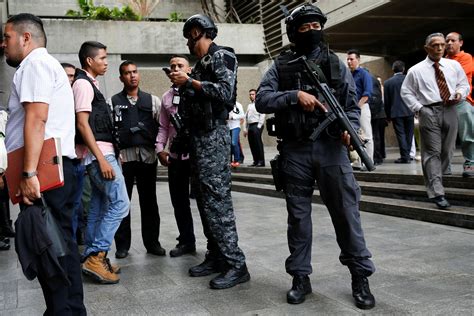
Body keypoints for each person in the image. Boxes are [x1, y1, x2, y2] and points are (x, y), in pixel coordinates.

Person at [255, 3, 375, 309]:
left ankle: (360, 277)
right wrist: (295, 96)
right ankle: (300, 277)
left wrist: (349, 129)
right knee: (298, 219)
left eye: (316, 26)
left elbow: (350, 104)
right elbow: (263, 99)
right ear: (294, 31)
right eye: (305, 27)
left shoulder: (334, 63)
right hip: (295, 150)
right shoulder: (282, 65)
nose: (312, 31)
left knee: (347, 214)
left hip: (332, 148)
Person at [2, 13, 86, 314]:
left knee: (51, 251)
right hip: (49, 171)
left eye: (7, 37)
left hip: (43, 175)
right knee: (57, 246)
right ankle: (67, 310)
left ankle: (65, 311)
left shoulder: (35, 64)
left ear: (25, 38)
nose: (3, 44)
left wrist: (28, 173)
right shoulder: (43, 65)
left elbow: (37, 119)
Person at [166, 14, 250, 290]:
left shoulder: (222, 56)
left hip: (214, 136)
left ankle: (236, 264)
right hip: (197, 139)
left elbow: (226, 93)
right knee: (203, 201)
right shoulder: (200, 66)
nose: (188, 42)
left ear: (198, 32)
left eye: (190, 35)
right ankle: (216, 256)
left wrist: (189, 82)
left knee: (217, 202)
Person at [73, 41, 129, 284]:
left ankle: (89, 256)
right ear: (89, 61)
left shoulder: (89, 84)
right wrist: (101, 159)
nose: (106, 62)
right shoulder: (83, 84)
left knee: (97, 209)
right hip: (99, 156)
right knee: (120, 204)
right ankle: (97, 256)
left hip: (102, 154)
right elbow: (82, 124)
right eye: (103, 58)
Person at [401, 33, 469, 209]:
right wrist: (420, 108)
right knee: (432, 153)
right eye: (435, 45)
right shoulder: (416, 70)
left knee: (447, 150)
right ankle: (437, 193)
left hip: (451, 108)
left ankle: (436, 178)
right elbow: (406, 92)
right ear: (427, 48)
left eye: (442, 44)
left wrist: (460, 94)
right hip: (429, 110)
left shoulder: (453, 66)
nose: (439, 48)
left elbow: (464, 84)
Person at [110, 60, 164, 259]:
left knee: (149, 202)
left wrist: (161, 150)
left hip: (147, 158)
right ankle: (122, 246)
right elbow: (109, 131)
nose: (132, 76)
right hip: (123, 159)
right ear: (121, 77)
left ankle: (153, 243)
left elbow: (162, 128)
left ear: (138, 74)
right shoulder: (112, 101)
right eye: (127, 73)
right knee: (123, 203)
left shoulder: (153, 101)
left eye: (134, 72)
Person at [157, 55, 197, 257]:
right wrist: (160, 149)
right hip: (175, 156)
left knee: (206, 201)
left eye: (180, 66)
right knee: (179, 202)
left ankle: (215, 246)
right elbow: (163, 126)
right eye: (172, 66)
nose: (175, 69)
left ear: (189, 70)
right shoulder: (166, 97)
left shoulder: (197, 91)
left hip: (198, 155)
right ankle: (186, 241)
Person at [445, 32, 474, 178]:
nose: (449, 43)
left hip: (462, 102)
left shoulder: (466, 57)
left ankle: (470, 163)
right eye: (447, 41)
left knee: (467, 136)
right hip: (445, 103)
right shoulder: (443, 60)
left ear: (460, 43)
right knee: (446, 138)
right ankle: (446, 167)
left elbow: (457, 77)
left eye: (453, 40)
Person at [347, 49, 374, 171]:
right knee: (356, 136)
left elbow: (367, 93)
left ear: (358, 59)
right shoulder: (349, 75)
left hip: (362, 107)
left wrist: (357, 107)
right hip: (352, 110)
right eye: (348, 59)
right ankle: (359, 161)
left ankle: (369, 161)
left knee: (367, 136)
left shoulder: (364, 74)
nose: (349, 61)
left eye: (351, 59)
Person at [384, 60, 415, 163]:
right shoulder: (409, 79)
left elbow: (387, 101)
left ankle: (404, 156)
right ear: (403, 69)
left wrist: (388, 116)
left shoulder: (388, 83)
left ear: (393, 69)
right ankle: (408, 156)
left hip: (396, 113)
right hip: (410, 110)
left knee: (401, 134)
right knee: (409, 134)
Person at [243, 88, 265, 167]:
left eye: (253, 94)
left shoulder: (259, 103)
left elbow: (262, 115)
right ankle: (255, 161)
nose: (251, 96)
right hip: (250, 126)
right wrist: (245, 129)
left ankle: (261, 161)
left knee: (258, 143)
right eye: (250, 94)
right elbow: (245, 117)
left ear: (256, 95)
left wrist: (259, 126)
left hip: (257, 125)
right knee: (252, 144)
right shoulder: (249, 105)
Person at [368, 72, 386, 165]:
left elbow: (375, 97)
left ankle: (377, 157)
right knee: (376, 135)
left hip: (374, 113)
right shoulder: (373, 80)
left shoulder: (370, 79)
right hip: (376, 113)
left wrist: (373, 112)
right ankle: (378, 156)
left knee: (374, 135)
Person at [228, 101, 245, 167]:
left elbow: (242, 115)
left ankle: (237, 160)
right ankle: (230, 160)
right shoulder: (226, 103)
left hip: (235, 126)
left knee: (234, 142)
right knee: (229, 144)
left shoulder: (238, 104)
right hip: (227, 126)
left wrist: (233, 117)